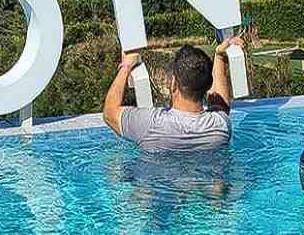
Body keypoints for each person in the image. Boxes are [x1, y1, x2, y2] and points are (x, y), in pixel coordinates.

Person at [102, 36, 243, 152]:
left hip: (159, 185)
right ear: (208, 86)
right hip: (206, 185)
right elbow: (221, 105)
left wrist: (126, 66)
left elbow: (109, 113)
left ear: (174, 84)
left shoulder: (150, 123)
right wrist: (219, 56)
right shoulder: (220, 127)